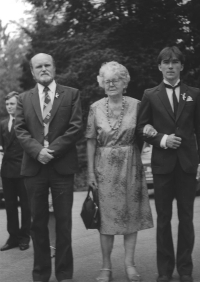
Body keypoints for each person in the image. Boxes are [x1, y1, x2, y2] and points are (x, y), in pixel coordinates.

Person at [15, 53, 83, 282]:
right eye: (38, 66)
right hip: (34, 168)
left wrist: (50, 151)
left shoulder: (71, 94)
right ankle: (41, 275)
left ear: (54, 68)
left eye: (47, 65)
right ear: (32, 72)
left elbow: (75, 128)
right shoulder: (24, 99)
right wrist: (37, 151)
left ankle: (64, 274)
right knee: (37, 224)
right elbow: (20, 130)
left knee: (64, 223)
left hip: (61, 166)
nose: (43, 69)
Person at [85, 61, 154, 282]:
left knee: (130, 216)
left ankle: (130, 264)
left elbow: (143, 134)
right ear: (101, 83)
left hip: (131, 166)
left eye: (116, 80)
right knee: (105, 220)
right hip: (103, 168)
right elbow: (90, 142)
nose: (111, 84)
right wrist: (90, 173)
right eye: (107, 81)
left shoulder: (138, 104)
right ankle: (106, 267)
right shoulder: (95, 107)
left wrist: (132, 154)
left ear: (125, 82)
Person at [137, 46, 200, 282]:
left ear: (181, 66)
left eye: (175, 62)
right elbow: (140, 128)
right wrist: (162, 139)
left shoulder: (194, 94)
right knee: (163, 220)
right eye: (166, 62)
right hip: (162, 167)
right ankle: (164, 270)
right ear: (159, 66)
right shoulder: (150, 94)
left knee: (186, 218)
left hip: (187, 166)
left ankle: (185, 269)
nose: (170, 66)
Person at [0, 91, 31, 252]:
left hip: (23, 169)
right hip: (6, 171)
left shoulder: (27, 123)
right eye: (7, 104)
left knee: (26, 206)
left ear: (19, 104)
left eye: (12, 103)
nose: (9, 107)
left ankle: (24, 237)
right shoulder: (3, 124)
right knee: (10, 206)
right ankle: (12, 237)